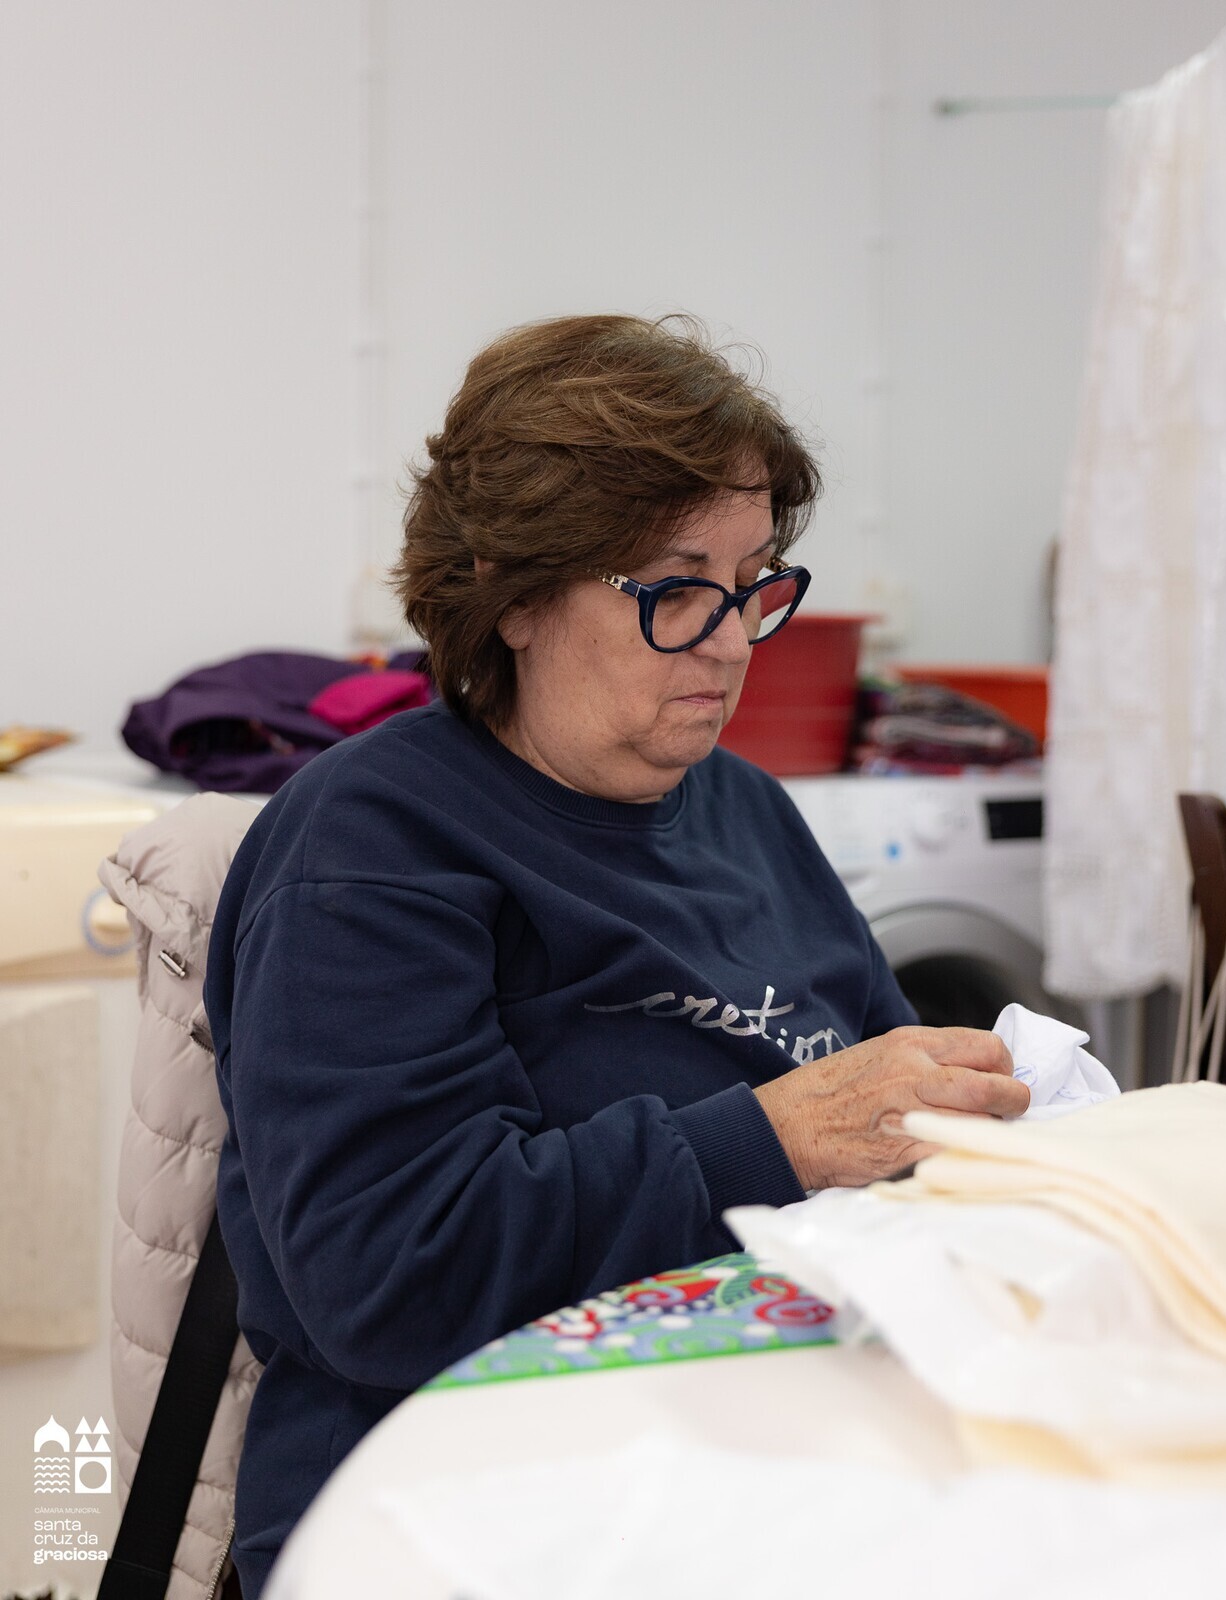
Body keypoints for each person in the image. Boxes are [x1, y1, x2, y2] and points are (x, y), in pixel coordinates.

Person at [203, 312, 1028, 1598]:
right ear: (515, 594)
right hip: (471, 1504)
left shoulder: (746, 811)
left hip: (770, 1453)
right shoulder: (374, 843)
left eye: (752, 581)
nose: (732, 639)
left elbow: (890, 1108)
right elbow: (392, 1275)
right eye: (673, 589)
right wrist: (780, 1136)